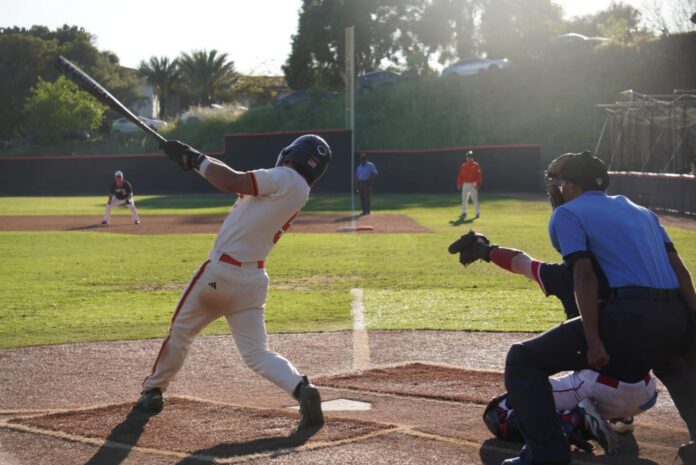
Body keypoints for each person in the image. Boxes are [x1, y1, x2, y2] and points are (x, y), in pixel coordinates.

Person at [500, 151, 696, 465]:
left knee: (522, 360)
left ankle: (546, 456)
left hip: (629, 315)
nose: (558, 189)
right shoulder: (644, 212)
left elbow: (584, 275)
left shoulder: (568, 213)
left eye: (560, 184)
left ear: (572, 186)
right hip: (674, 312)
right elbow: (680, 271)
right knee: (674, 364)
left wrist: (593, 340)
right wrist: (692, 321)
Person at [135, 134, 332, 431]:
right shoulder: (299, 190)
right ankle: (302, 388)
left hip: (219, 274)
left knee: (181, 334)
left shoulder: (283, 177)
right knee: (257, 353)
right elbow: (233, 181)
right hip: (252, 282)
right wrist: (192, 158)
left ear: (291, 154)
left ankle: (153, 390)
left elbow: (232, 180)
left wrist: (196, 158)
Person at [450, 231, 657, 452]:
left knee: (500, 412)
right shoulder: (634, 278)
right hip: (647, 390)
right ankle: (620, 417)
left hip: (600, 385)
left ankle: (577, 420)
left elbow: (521, 262)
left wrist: (485, 250)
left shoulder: (566, 275)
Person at [456, 150, 482, 220]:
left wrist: (478, 183)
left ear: (472, 157)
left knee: (474, 199)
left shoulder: (476, 165)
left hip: (473, 183)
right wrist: (459, 183)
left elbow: (479, 175)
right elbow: (460, 175)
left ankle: (477, 213)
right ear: (466, 157)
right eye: (467, 156)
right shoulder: (463, 165)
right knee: (464, 199)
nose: (469, 158)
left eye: (470, 157)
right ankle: (464, 213)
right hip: (465, 184)